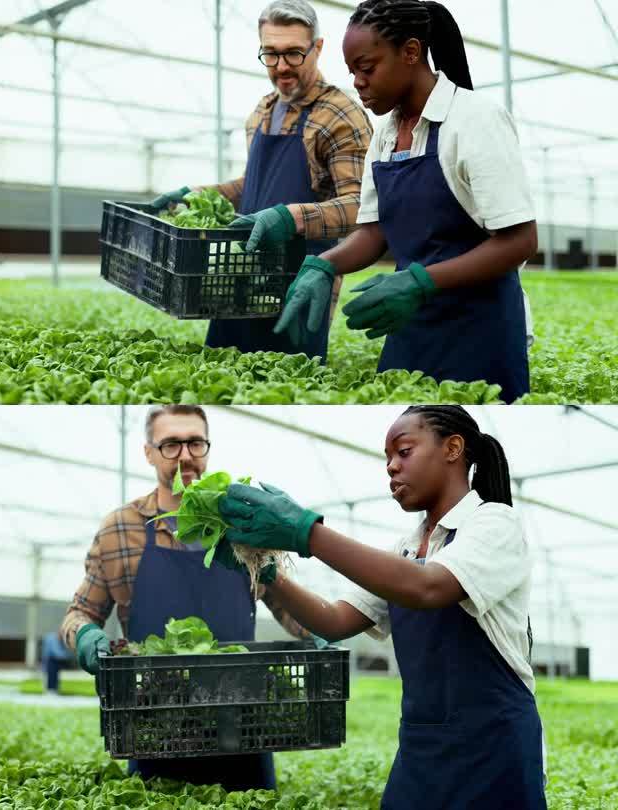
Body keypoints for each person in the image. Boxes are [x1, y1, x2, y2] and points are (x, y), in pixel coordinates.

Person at [215, 405, 544, 808]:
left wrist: (307, 533)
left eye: (403, 451)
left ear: (453, 448)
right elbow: (333, 621)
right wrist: (267, 578)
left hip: (493, 745)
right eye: (387, 458)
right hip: (422, 745)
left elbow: (427, 587)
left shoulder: (495, 524)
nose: (391, 467)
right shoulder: (405, 549)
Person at [273, 0, 538, 402]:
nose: (358, 82)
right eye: (352, 72)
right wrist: (323, 265)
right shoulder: (385, 133)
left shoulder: (474, 120)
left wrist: (420, 281)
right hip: (409, 327)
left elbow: (519, 241)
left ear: (411, 53)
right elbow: (375, 231)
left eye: (367, 68)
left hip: (479, 332)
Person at [62, 405, 316, 792]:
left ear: (207, 448)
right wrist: (84, 637)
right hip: (152, 726)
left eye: (195, 443)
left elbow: (285, 606)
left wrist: (325, 627)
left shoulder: (240, 525)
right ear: (149, 453)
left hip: (243, 728)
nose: (185, 455)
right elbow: (81, 612)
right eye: (171, 444)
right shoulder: (120, 528)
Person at [149, 0, 373, 360]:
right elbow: (251, 188)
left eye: (294, 54)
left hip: (300, 286)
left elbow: (361, 205)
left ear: (317, 48)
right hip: (235, 281)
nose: (282, 67)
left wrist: (291, 218)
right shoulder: (262, 111)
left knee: (286, 380)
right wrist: (198, 195)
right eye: (270, 54)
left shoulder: (340, 114)